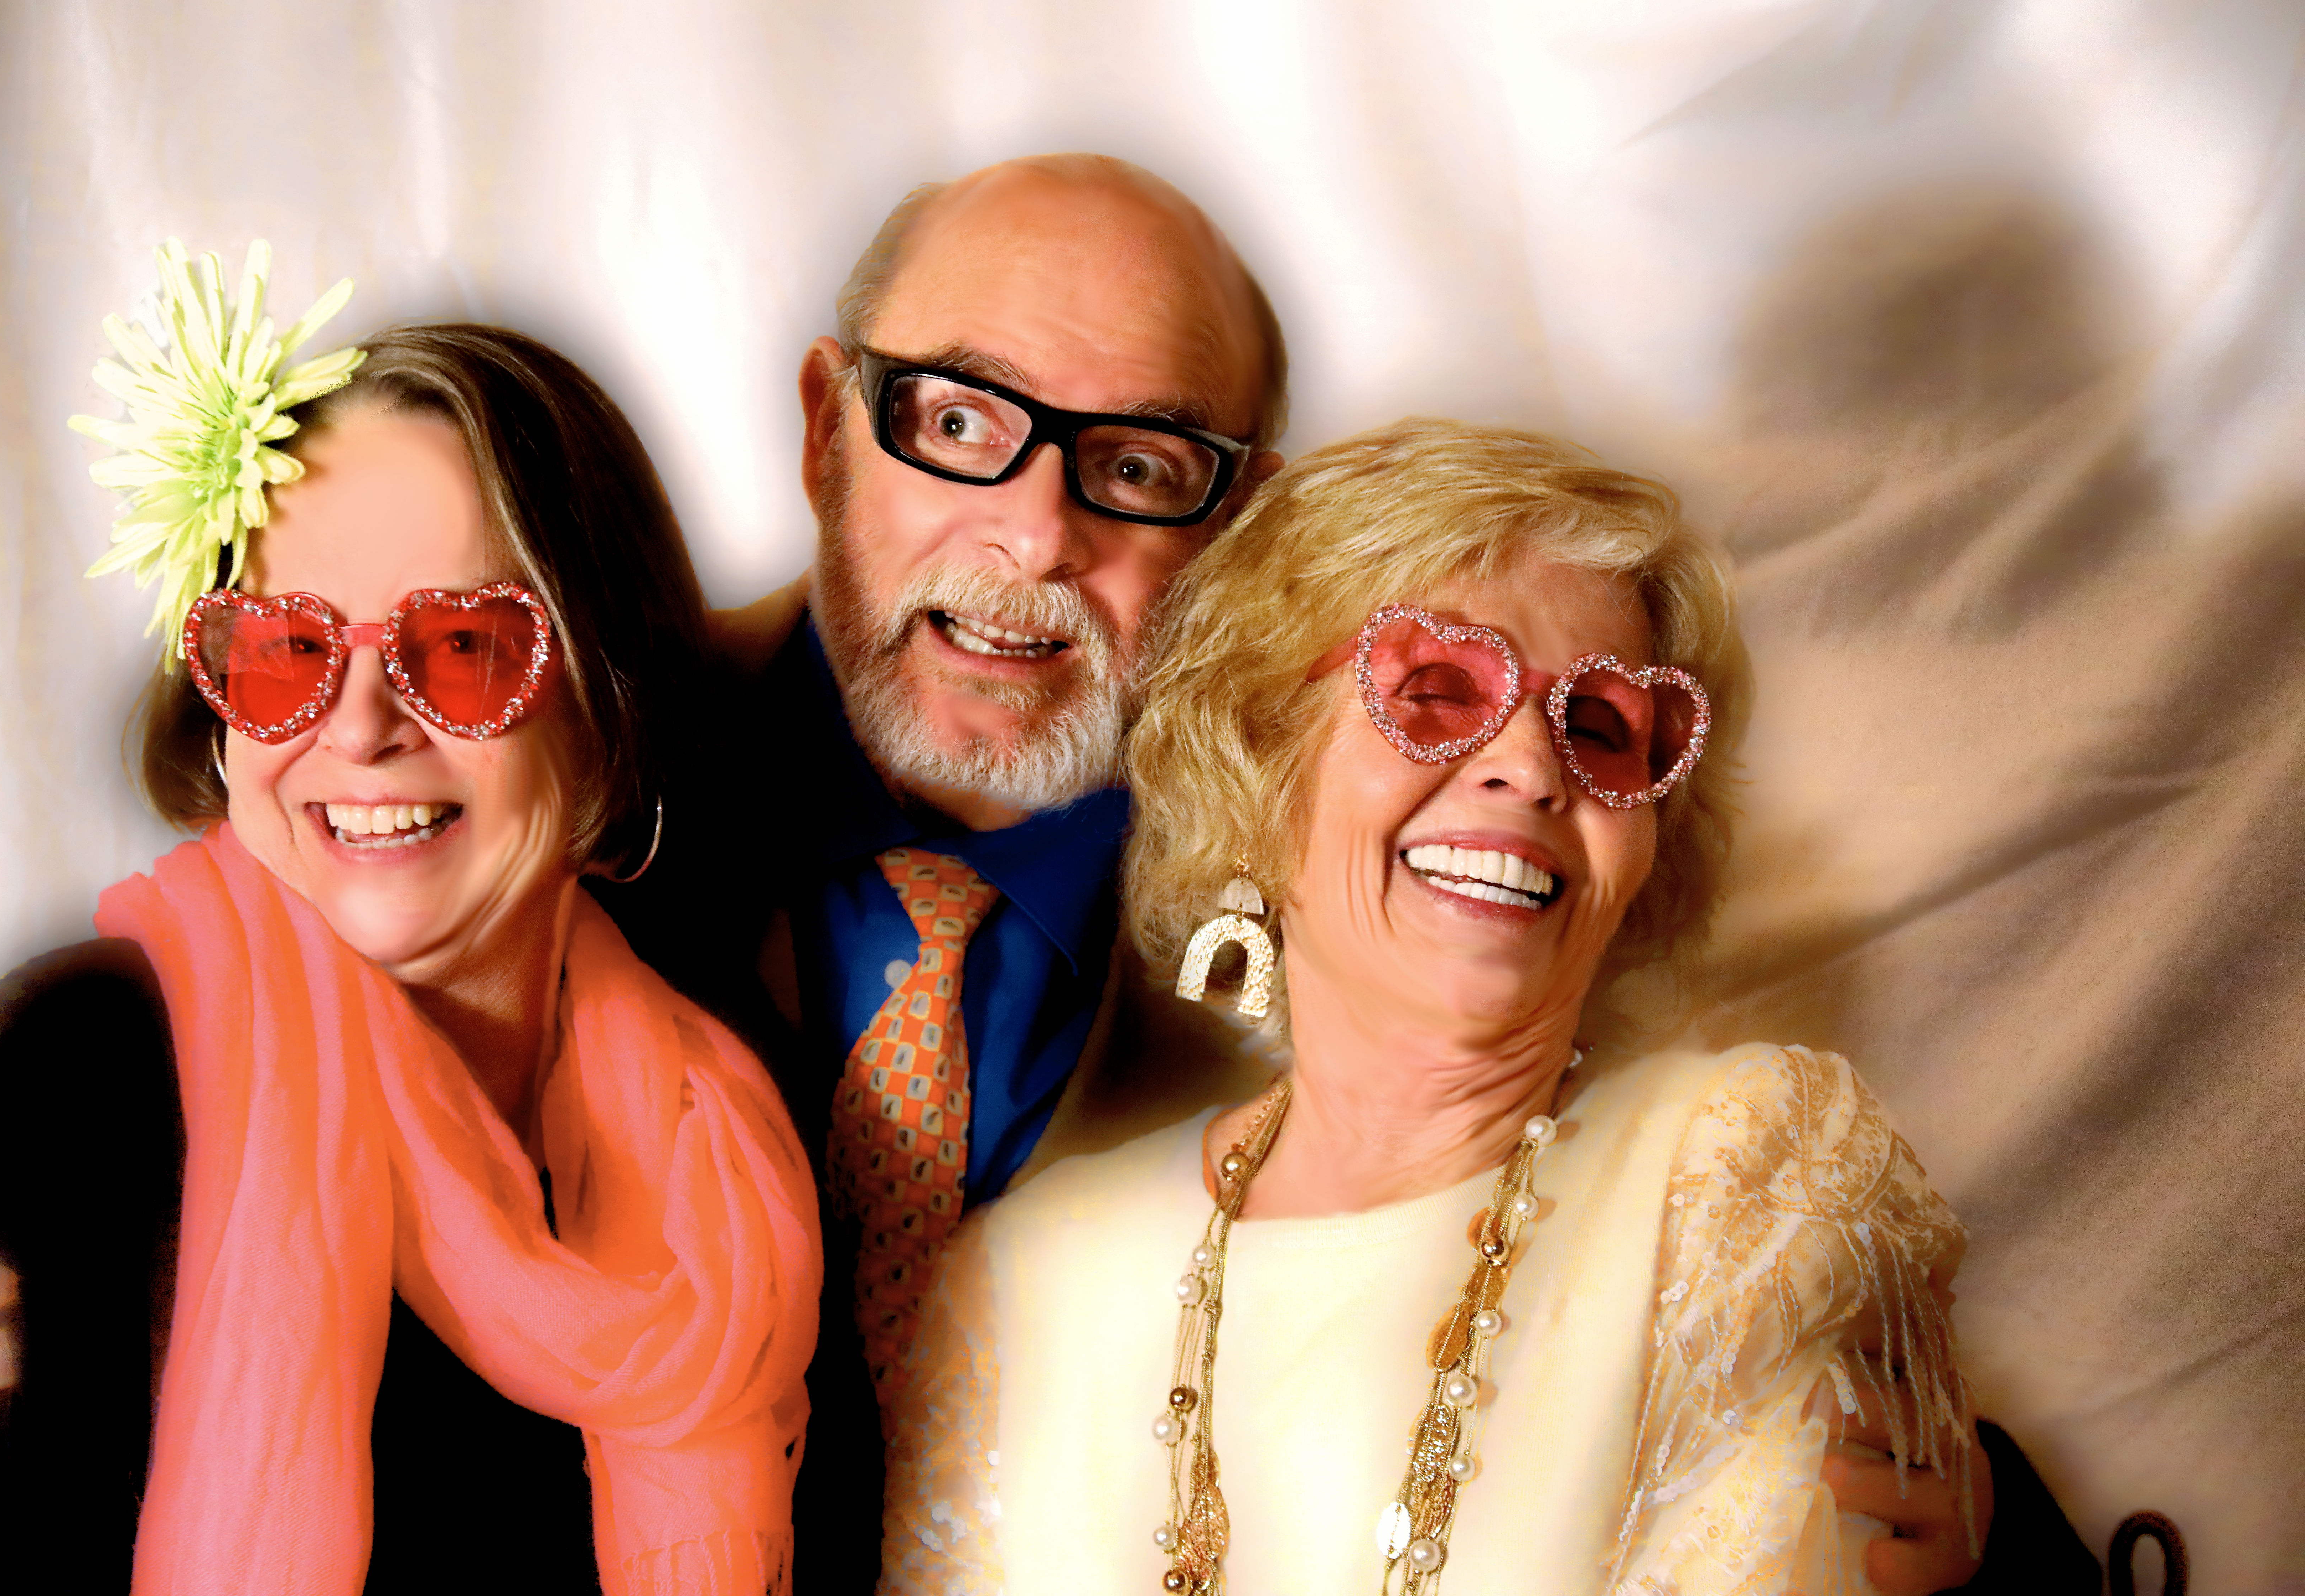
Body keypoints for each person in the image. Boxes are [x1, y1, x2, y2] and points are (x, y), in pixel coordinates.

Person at [876, 419, 2086, 1593]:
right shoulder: (1024, 1277)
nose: (1533, 767)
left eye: (1604, 728)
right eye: (1440, 691)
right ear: (1258, 769)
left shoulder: (1743, 1168)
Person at [0, 266, 819, 1595]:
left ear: (608, 707)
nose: (359, 725)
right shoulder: (79, 1065)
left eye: (465, 647)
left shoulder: (734, 1111)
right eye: (286, 650)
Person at [604, 152, 1291, 1588]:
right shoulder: (576, 780)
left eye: (1140, 468)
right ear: (826, 431)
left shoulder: (1339, 893)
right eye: (961, 419)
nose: (1035, 538)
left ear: (1242, 530)